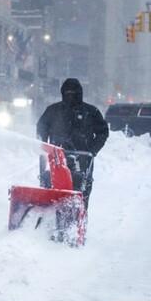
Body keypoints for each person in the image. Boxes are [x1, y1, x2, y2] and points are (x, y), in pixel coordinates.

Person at [36, 78, 109, 208]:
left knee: (81, 191)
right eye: (67, 93)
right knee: (50, 185)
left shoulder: (91, 112)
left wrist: (92, 150)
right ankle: (48, 212)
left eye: (73, 93)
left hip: (83, 158)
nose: (70, 96)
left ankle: (79, 217)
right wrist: (44, 146)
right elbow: (42, 127)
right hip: (56, 158)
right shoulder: (53, 111)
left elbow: (102, 132)